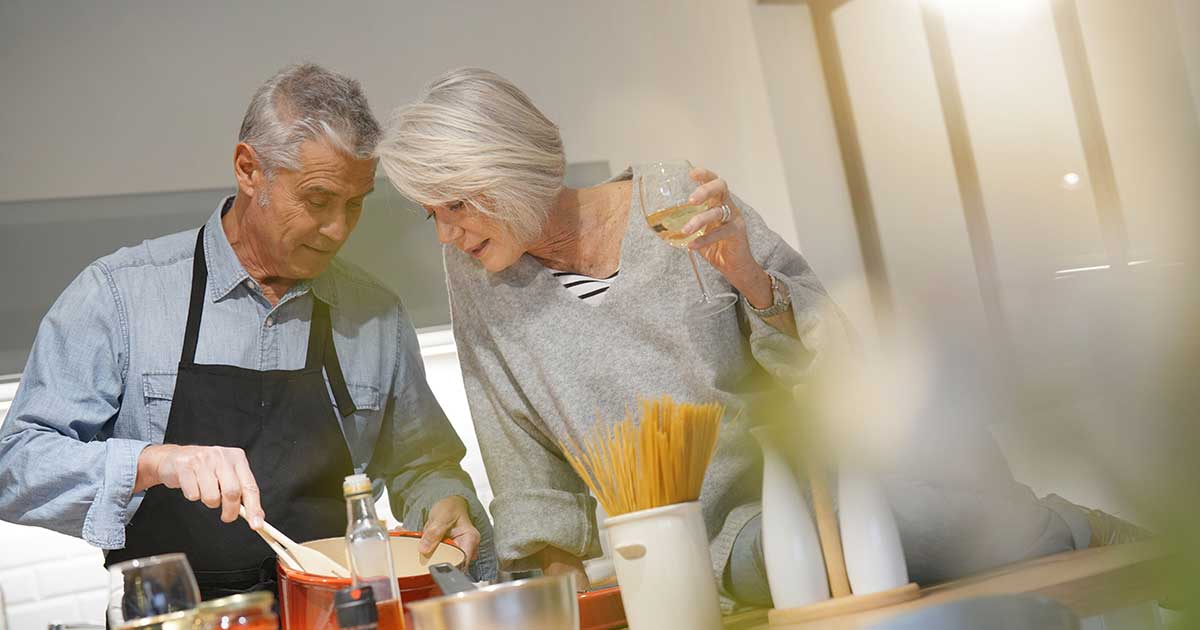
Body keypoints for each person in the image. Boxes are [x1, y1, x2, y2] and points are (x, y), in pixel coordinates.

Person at [375, 68, 1147, 608]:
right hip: (720, 540)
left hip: (809, 480)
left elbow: (830, 360)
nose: (445, 235)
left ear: (504, 171)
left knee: (925, 516)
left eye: (454, 206)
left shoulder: (679, 201)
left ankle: (1081, 531)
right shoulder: (481, 283)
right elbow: (521, 462)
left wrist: (747, 274)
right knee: (848, 543)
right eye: (430, 215)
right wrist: (558, 586)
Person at [0, 64, 496, 599]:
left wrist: (445, 502)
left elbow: (423, 464)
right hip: (178, 615)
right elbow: (17, 466)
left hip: (336, 610)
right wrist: (154, 462)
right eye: (318, 199)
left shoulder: (374, 312)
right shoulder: (121, 296)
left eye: (355, 204)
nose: (338, 230)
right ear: (248, 169)